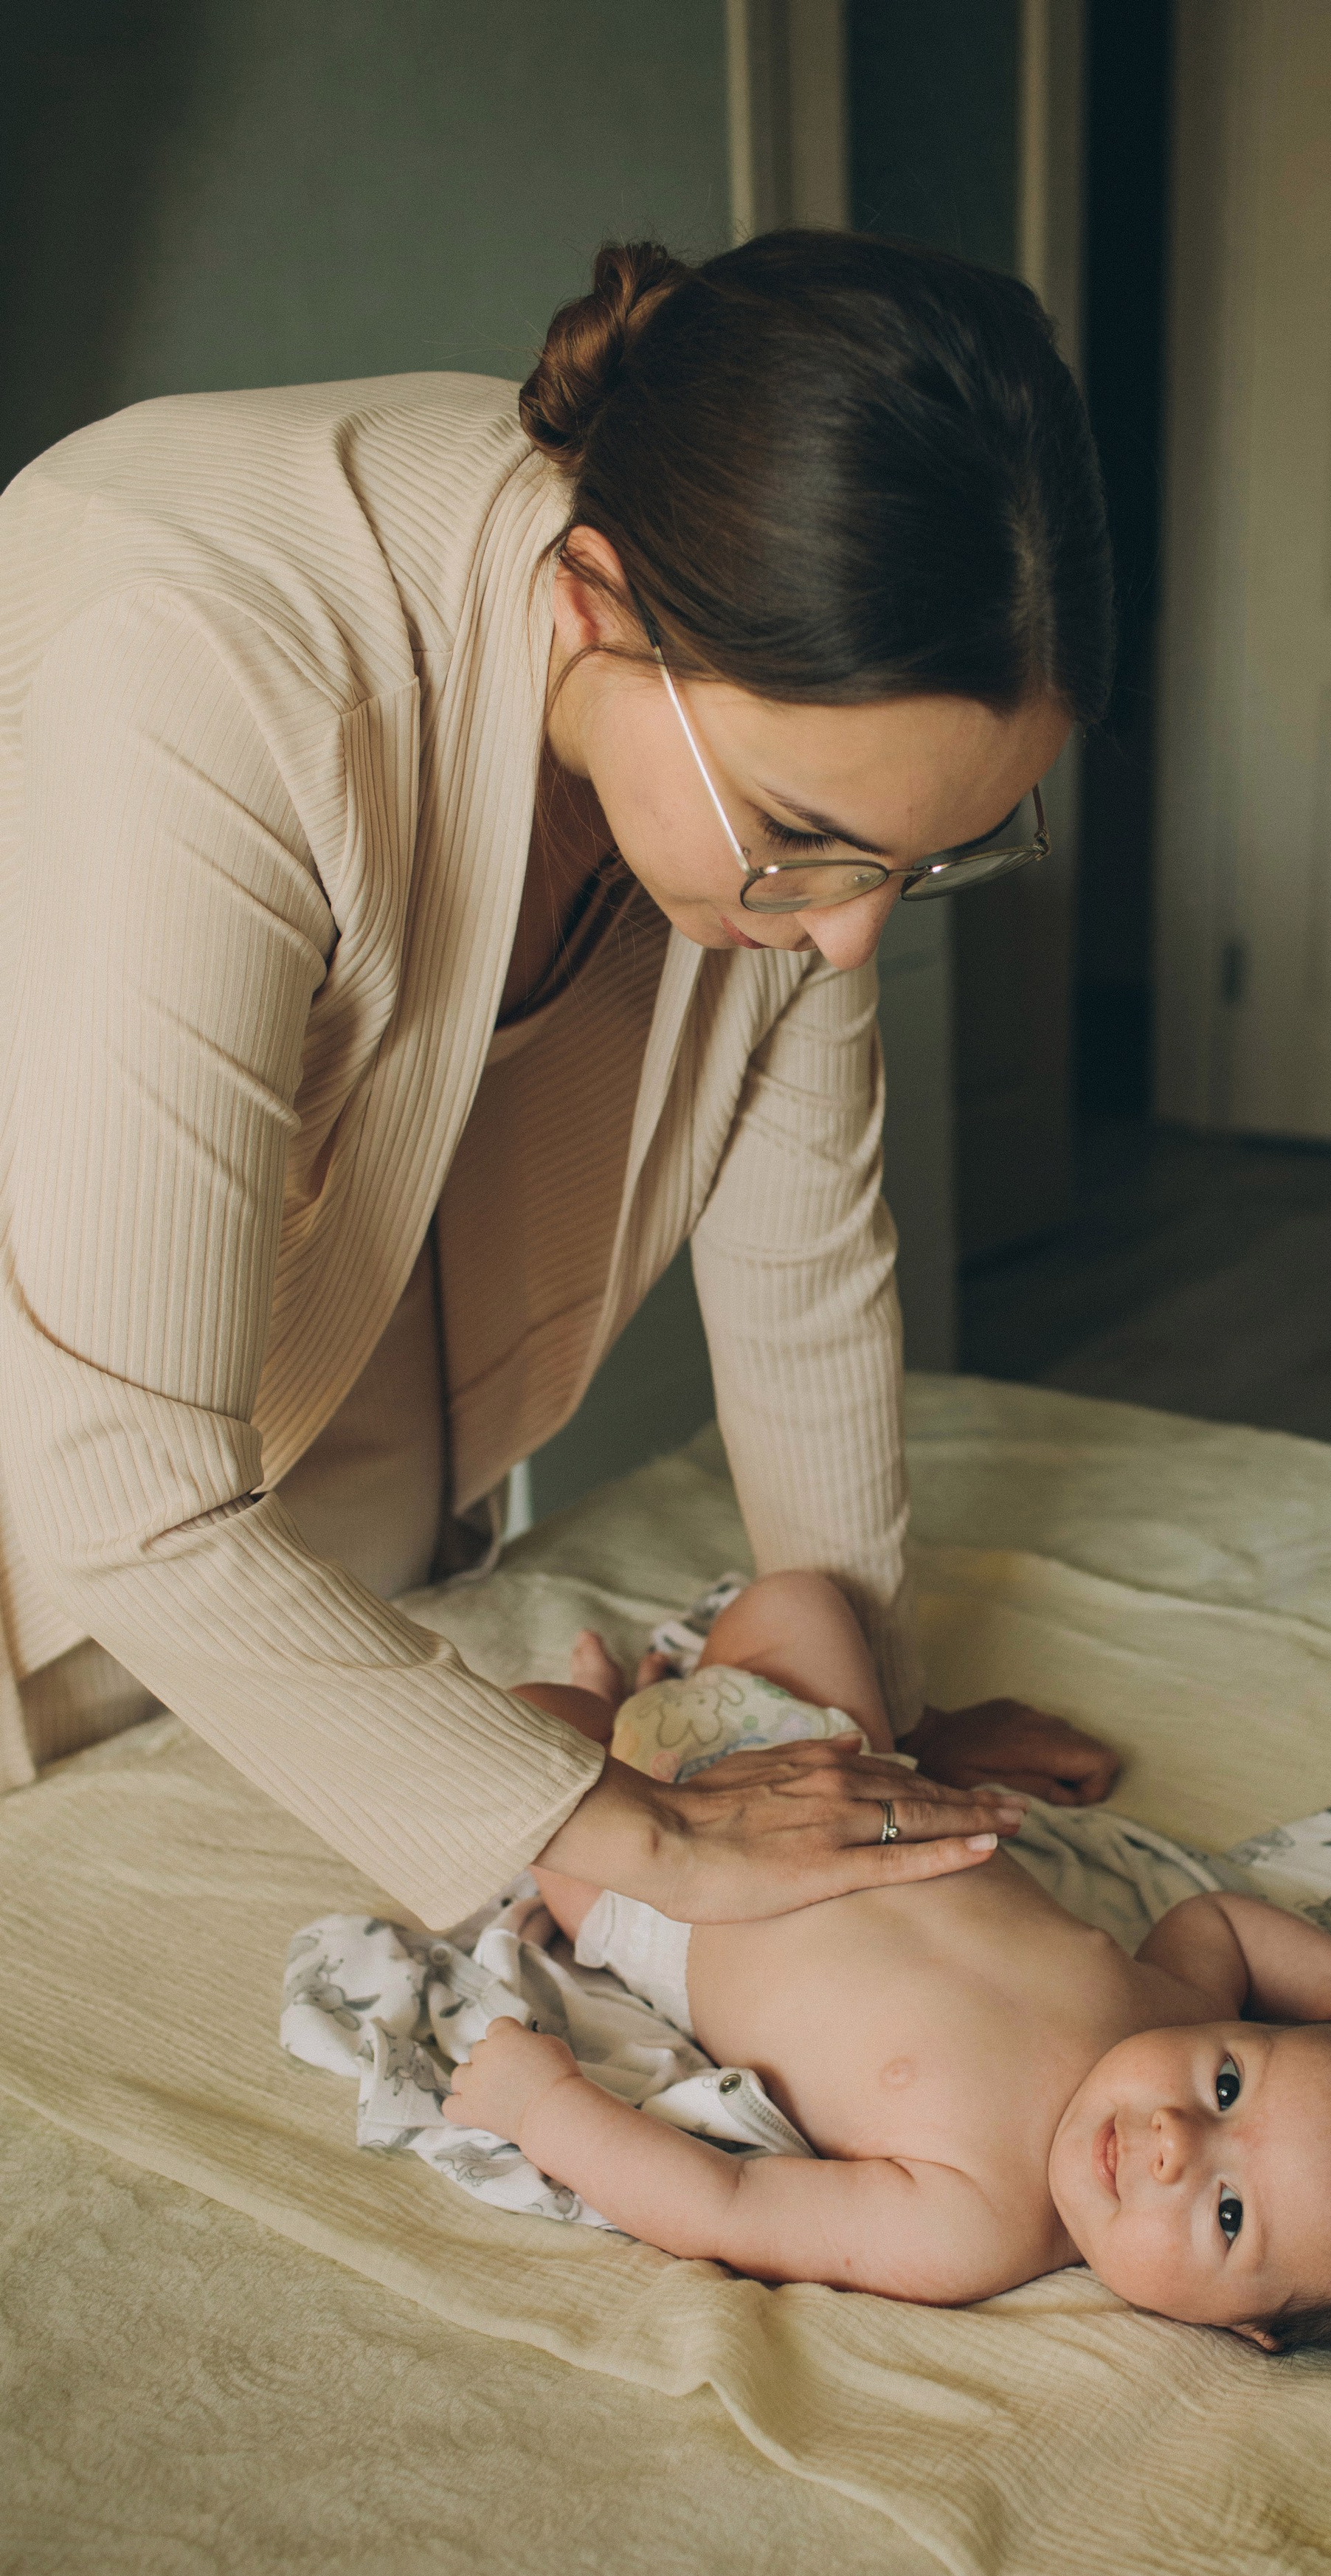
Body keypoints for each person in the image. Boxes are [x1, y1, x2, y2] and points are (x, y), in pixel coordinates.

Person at [0, 229, 1121, 1929]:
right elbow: (116, 1478)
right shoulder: (203, 662)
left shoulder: (775, 756)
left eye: (929, 858)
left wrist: (862, 1719)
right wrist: (652, 1835)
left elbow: (805, 1285)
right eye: (810, 838)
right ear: (590, 605)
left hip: (325, 1447)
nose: (849, 946)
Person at [444, 1576, 1331, 2350]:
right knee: (803, 1602)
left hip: (654, 1895)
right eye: (1229, 2083)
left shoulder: (974, 2226)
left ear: (1248, 2329)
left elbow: (728, 2206)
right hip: (827, 1759)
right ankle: (663, 1692)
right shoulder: (1166, 2007)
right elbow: (1221, 1917)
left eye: (1227, 2218)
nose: (1175, 2141)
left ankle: (605, 1703)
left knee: (512, 1745)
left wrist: (547, 2112)